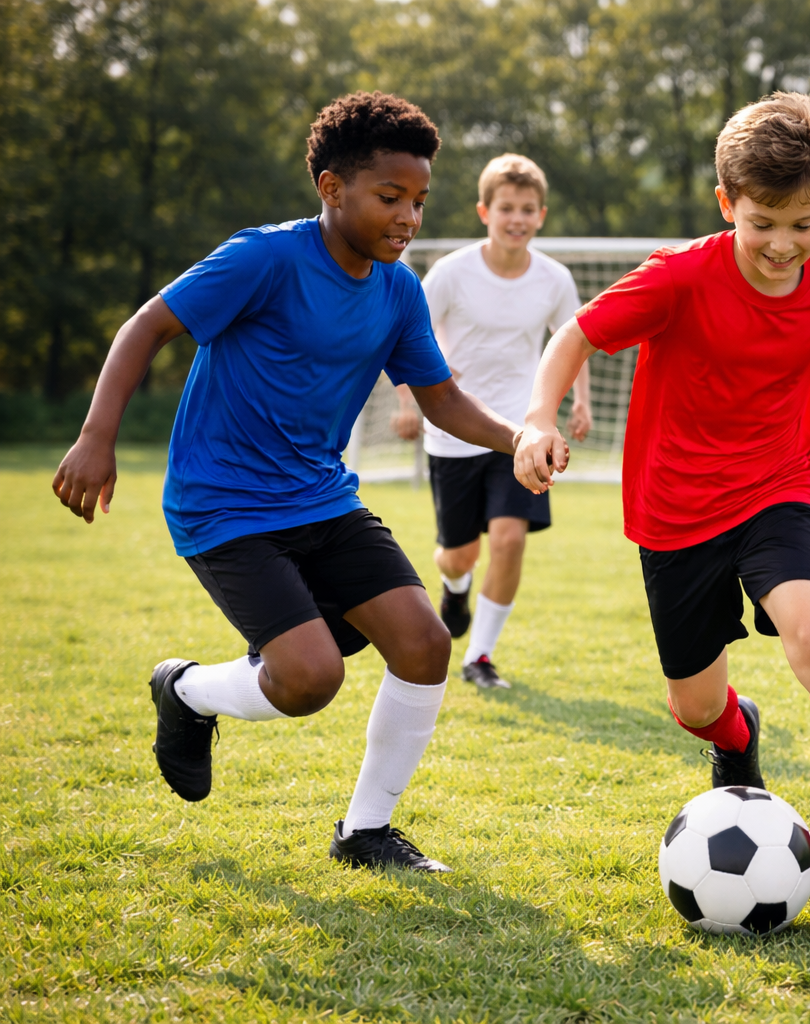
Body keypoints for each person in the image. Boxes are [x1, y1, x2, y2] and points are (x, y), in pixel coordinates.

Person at [50, 92, 527, 873]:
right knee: (309, 680)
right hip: (224, 505)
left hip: (323, 498)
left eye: (419, 200)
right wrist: (96, 437)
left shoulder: (398, 289)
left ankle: (365, 833)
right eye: (390, 197)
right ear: (331, 188)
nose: (408, 217)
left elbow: (439, 398)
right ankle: (187, 692)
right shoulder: (263, 258)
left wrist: (519, 438)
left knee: (425, 643)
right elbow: (147, 326)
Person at [515, 92, 810, 914]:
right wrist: (539, 417)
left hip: (776, 490)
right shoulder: (680, 276)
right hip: (674, 511)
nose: (783, 245)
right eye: (763, 224)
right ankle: (737, 733)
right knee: (696, 707)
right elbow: (575, 335)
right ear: (727, 204)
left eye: (803, 225)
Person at [390, 153, 591, 689]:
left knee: (508, 539)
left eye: (527, 209)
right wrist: (408, 403)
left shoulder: (554, 279)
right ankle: (455, 588)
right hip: (453, 431)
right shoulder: (451, 273)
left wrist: (580, 402)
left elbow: (574, 342)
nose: (516, 219)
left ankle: (479, 656)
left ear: (540, 215)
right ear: (485, 212)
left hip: (521, 432)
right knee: (459, 554)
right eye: (506, 208)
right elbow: (407, 335)